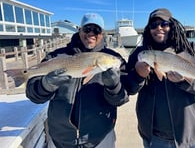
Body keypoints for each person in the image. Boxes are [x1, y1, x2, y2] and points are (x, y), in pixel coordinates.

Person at [26, 13, 129, 148]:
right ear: (79, 31)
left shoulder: (115, 58)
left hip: (100, 137)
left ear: (102, 34)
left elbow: (122, 98)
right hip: (60, 139)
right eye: (87, 29)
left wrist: (114, 86)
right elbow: (33, 95)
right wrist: (46, 85)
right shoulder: (57, 56)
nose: (91, 33)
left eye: (96, 30)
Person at [126, 8, 195, 148]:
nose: (159, 28)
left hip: (189, 135)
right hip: (154, 136)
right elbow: (128, 88)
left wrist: (185, 82)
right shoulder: (138, 54)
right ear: (148, 29)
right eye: (153, 25)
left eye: (164, 24)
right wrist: (137, 75)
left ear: (172, 26)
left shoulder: (194, 49)